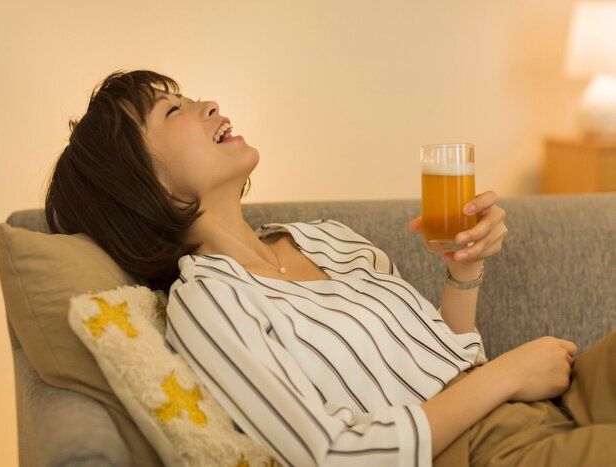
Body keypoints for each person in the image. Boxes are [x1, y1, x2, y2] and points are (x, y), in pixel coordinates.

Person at [44, 69, 616, 466]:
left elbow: (446, 361)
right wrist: (506, 376)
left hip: (545, 401)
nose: (208, 104)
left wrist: (463, 272)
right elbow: (334, 455)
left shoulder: (326, 238)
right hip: (482, 449)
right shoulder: (209, 303)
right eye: (173, 110)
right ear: (148, 188)